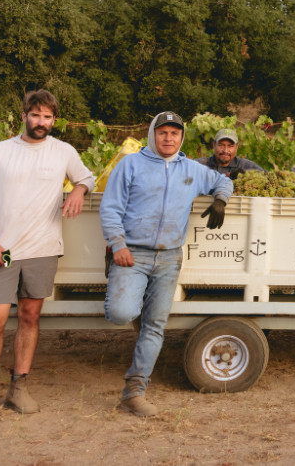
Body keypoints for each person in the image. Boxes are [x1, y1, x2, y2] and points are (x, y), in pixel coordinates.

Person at [0, 90, 96, 422]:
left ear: (54, 120)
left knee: (30, 318)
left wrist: (78, 189)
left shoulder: (63, 151)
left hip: (43, 252)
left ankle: (18, 387)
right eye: (36, 115)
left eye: (47, 117)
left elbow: (86, 176)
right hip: (2, 252)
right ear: (24, 116)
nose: (41, 122)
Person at [100, 111, 233, 417]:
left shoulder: (192, 169)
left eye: (174, 133)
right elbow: (110, 208)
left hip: (170, 256)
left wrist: (220, 200)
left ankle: (134, 391)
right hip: (132, 253)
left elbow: (222, 181)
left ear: (181, 137)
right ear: (152, 134)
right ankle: (127, 290)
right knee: (121, 313)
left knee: (155, 326)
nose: (168, 138)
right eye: (163, 133)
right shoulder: (130, 164)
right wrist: (117, 245)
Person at [196, 128, 263, 179]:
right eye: (221, 145)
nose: (225, 150)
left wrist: (244, 174)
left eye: (230, 146)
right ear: (214, 145)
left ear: (236, 147)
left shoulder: (246, 165)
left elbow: (266, 177)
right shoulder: (200, 165)